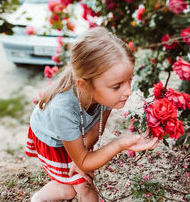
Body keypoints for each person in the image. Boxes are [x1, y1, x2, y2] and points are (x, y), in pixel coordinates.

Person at [25, 26, 158, 202]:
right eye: (117, 86)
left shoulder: (106, 93)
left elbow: (96, 130)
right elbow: (85, 161)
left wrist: (80, 158)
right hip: (52, 140)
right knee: (70, 190)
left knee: (83, 184)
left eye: (129, 80)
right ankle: (38, 199)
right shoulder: (62, 109)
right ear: (85, 85)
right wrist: (117, 145)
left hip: (75, 136)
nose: (128, 91)